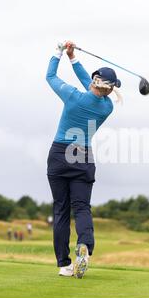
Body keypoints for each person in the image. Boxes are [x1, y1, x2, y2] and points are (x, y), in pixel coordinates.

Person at [46, 41, 122, 278]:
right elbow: (91, 88)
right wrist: (73, 58)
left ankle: (64, 264)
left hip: (60, 154)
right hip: (83, 156)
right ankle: (85, 245)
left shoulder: (72, 96)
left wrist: (58, 52)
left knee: (61, 210)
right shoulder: (107, 106)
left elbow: (50, 76)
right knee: (81, 208)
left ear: (95, 82)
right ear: (110, 89)